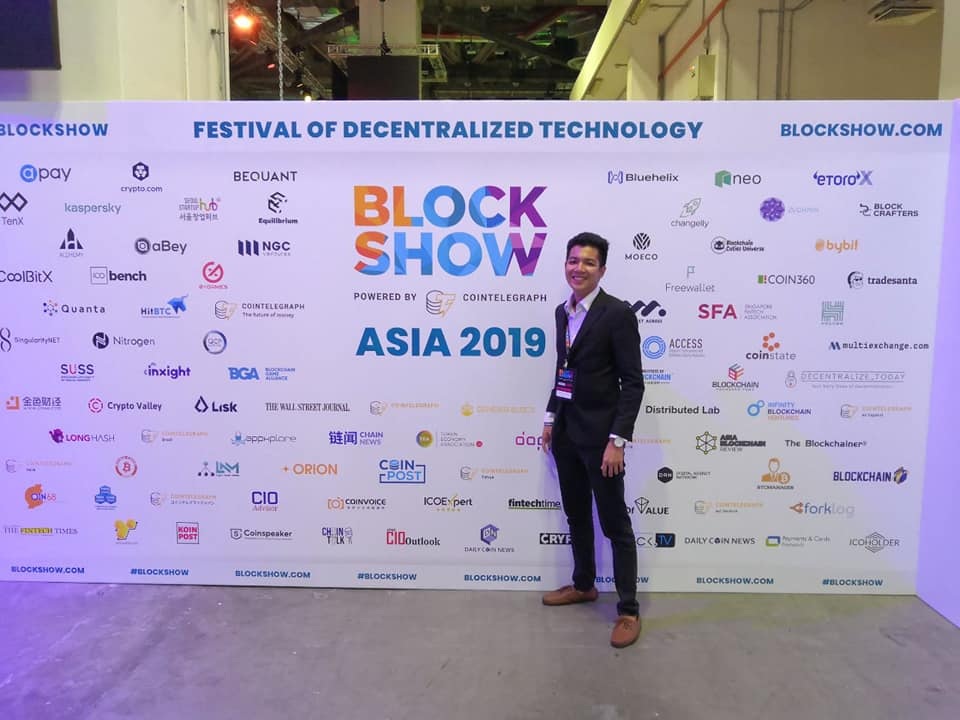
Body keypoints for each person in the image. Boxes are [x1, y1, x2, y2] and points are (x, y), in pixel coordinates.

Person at [541, 232, 645, 649]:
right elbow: (563, 370)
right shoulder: (562, 312)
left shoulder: (617, 314)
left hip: (602, 440)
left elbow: (633, 383)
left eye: (588, 262)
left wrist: (617, 440)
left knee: (615, 524)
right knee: (577, 516)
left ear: (601, 270)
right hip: (567, 434)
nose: (578, 268)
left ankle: (628, 610)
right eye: (573, 261)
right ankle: (583, 584)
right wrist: (551, 418)